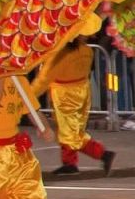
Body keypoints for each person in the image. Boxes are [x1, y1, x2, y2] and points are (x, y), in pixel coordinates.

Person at [32, 38, 115, 176]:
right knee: (72, 129)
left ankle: (102, 153)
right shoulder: (86, 50)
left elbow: (44, 79)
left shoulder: (61, 55)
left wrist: (28, 96)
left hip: (65, 95)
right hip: (82, 90)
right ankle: (69, 163)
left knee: (69, 133)